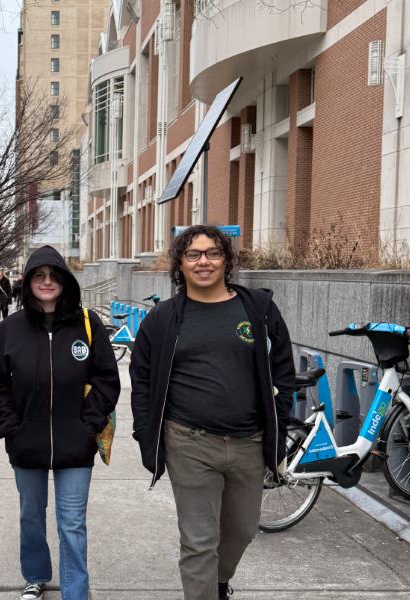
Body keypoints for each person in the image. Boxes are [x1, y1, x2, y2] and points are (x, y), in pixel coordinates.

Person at [129, 225, 295, 600]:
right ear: (180, 264)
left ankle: (218, 584)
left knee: (242, 530)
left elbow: (283, 371)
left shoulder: (259, 309)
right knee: (199, 541)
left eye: (212, 253)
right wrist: (146, 433)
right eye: (193, 254)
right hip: (189, 442)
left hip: (249, 444)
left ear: (226, 260)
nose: (203, 261)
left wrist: (278, 428)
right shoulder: (163, 318)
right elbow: (141, 378)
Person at [0, 245, 120, 600]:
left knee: (72, 523)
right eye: (39, 276)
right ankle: (36, 575)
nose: (47, 282)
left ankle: (76, 592)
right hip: (26, 442)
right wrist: (10, 425)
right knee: (31, 515)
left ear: (65, 282)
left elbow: (107, 379)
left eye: (53, 275)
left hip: (76, 444)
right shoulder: (10, 330)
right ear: (27, 283)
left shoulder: (88, 325)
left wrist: (89, 423)